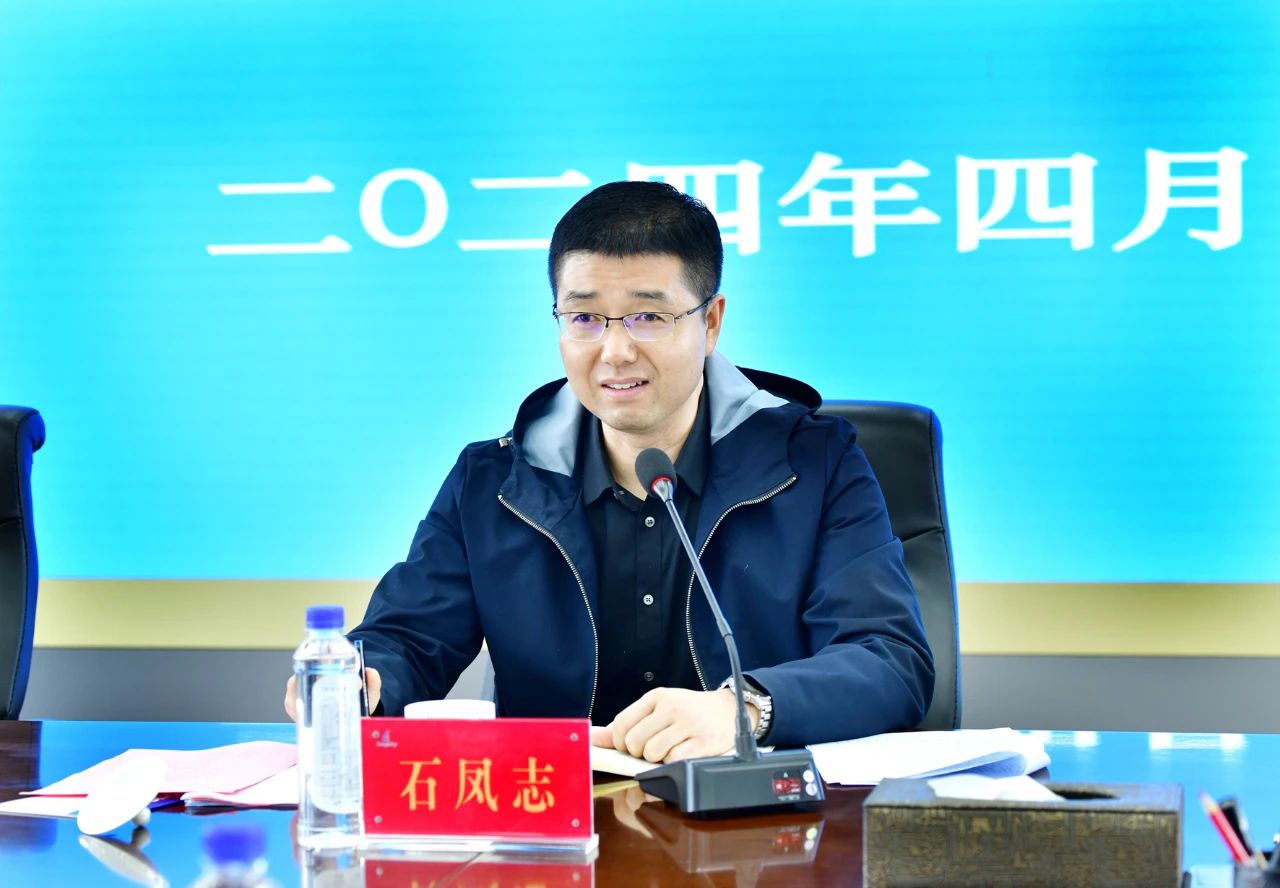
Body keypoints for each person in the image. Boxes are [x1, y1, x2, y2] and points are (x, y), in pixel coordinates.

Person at [285, 181, 934, 763]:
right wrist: (360, 682)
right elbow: (408, 640)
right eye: (584, 318)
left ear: (710, 322)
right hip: (552, 823)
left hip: (757, 824)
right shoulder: (494, 482)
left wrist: (746, 709)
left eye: (649, 316)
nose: (615, 350)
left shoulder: (813, 462)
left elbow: (890, 660)